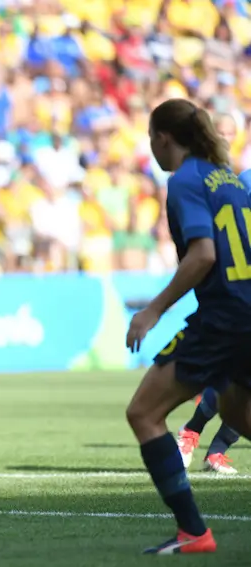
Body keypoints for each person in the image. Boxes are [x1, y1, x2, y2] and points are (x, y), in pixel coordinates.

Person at [125, 98, 251, 554]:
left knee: (143, 413)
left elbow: (203, 255)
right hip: (247, 310)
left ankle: (194, 532)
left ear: (163, 137)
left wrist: (153, 310)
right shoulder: (229, 179)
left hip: (223, 319)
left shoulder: (185, 182)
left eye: (149, 137)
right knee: (238, 415)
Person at [174, 112, 243, 475]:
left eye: (233, 133)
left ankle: (212, 447)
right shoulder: (238, 182)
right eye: (222, 132)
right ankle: (193, 433)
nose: (227, 138)